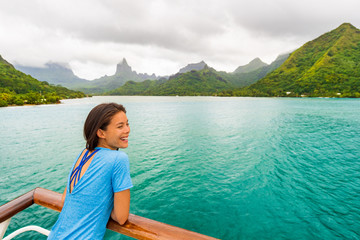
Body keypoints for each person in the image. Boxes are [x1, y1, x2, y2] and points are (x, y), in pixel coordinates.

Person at [48, 103, 133, 239]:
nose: (127, 130)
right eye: (120, 126)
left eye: (127, 124)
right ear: (101, 133)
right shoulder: (119, 159)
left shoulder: (84, 153)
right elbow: (120, 217)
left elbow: (65, 198)